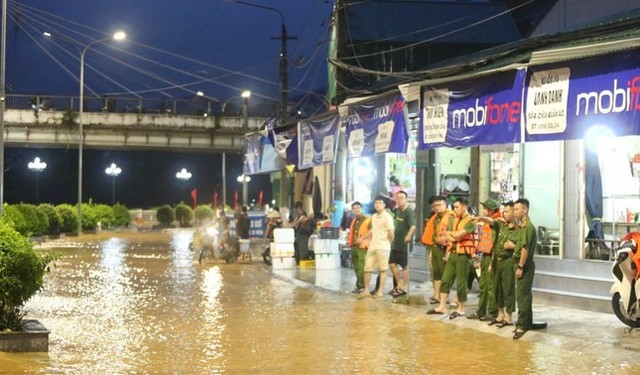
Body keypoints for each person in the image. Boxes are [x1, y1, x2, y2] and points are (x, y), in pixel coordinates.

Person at [427, 197, 476, 318]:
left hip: (464, 255)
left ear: (464, 207)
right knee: (445, 279)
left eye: (456, 207)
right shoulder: (454, 220)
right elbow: (446, 236)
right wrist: (452, 236)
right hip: (453, 253)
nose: (454, 210)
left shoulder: (471, 221)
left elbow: (459, 235)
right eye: (454, 207)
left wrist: (452, 235)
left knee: (461, 282)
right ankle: (442, 306)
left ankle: (461, 308)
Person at [467, 198, 501, 321]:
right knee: (483, 286)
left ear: (492, 210)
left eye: (485, 208)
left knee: (491, 287)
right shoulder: (486, 223)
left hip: (493, 257)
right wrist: (480, 258)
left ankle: (493, 313)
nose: (483, 210)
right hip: (485, 256)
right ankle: (481, 311)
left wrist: (492, 262)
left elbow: (492, 221)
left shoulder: (497, 221)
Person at [358, 196, 394, 299]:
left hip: (383, 247)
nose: (377, 205)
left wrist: (388, 243)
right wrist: (363, 237)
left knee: (382, 269)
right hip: (373, 246)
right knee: (367, 268)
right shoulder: (373, 217)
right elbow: (373, 230)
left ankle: (380, 291)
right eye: (376, 203)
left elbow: (391, 232)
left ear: (384, 205)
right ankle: (366, 290)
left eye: (379, 203)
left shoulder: (387, 217)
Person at [421, 195, 455, 305]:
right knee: (436, 273)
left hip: (444, 248)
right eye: (435, 206)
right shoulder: (434, 217)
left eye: (439, 205)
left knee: (444, 274)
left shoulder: (451, 217)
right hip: (435, 247)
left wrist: (448, 252)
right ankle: (436, 295)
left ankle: (444, 297)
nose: (437, 207)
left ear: (445, 205)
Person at [513, 198, 537, 340]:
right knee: (524, 295)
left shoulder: (528, 227)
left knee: (522, 296)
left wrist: (520, 267)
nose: (515, 212)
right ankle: (527, 323)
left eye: (517, 209)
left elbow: (525, 248)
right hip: (521, 264)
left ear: (525, 210)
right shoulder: (522, 226)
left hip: (525, 265)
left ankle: (522, 325)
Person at [389, 190, 416, 297]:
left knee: (405, 266)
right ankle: (399, 284)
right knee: (391, 263)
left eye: (401, 198)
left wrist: (409, 235)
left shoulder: (408, 211)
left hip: (405, 244)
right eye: (397, 197)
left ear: (406, 199)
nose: (399, 200)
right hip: (396, 243)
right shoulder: (398, 211)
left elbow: (413, 226)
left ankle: (404, 287)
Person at [347, 202, 371, 294]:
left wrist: (362, 238)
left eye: (358, 207)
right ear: (352, 210)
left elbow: (371, 231)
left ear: (361, 208)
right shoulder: (354, 220)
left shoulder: (367, 219)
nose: (356, 209)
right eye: (354, 208)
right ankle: (359, 286)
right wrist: (349, 237)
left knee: (362, 267)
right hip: (354, 246)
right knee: (356, 267)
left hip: (363, 246)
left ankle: (363, 287)